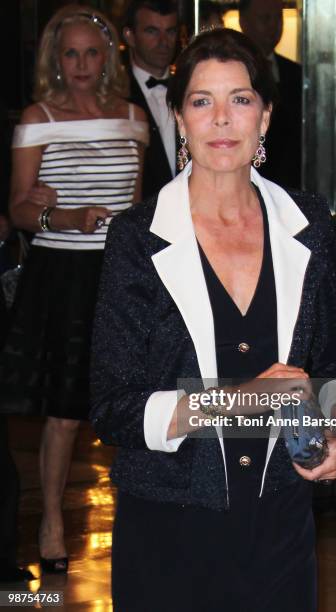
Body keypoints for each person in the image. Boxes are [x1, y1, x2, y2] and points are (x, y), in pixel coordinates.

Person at [91, 28, 336, 612]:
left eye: (240, 100)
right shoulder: (137, 238)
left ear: (264, 117)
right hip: (170, 525)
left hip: (280, 524)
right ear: (180, 119)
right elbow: (114, 408)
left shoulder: (309, 225)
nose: (222, 119)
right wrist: (242, 400)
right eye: (201, 101)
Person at [0, 4, 149, 574]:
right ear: (55, 60)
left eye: (93, 52)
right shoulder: (38, 118)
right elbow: (17, 209)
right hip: (61, 274)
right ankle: (53, 523)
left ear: (108, 56)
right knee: (64, 412)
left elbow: (136, 208)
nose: (83, 63)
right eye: (71, 53)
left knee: (130, 403)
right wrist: (61, 219)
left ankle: (139, 518)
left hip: (120, 274)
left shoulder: (133, 117)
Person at [239, 0, 302, 189]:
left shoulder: (296, 73)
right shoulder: (234, 73)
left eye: (278, 18)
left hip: (292, 185)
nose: (273, 26)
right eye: (265, 18)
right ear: (244, 21)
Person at [123, 0, 179, 199]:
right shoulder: (115, 97)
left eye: (170, 32)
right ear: (130, 36)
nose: (163, 42)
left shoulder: (191, 91)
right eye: (152, 31)